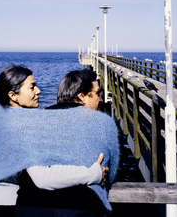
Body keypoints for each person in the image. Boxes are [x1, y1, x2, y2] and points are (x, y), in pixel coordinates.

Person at [0, 66, 110, 217]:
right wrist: (93, 173)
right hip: (1, 207)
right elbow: (42, 178)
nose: (39, 90)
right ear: (13, 95)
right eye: (32, 87)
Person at [16, 69, 119, 215]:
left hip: (31, 207)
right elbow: (110, 174)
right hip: (83, 208)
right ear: (82, 97)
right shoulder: (103, 124)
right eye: (97, 93)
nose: (101, 99)